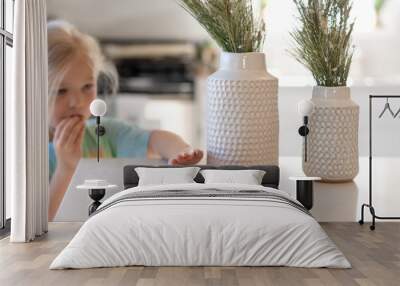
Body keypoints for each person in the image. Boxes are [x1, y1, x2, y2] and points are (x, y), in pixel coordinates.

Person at [47, 21, 203, 221]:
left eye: (87, 86)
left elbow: (156, 139)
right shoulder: (28, 157)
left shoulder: (105, 132)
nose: (76, 102)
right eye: (60, 90)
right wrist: (66, 167)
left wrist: (181, 152)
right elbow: (41, 226)